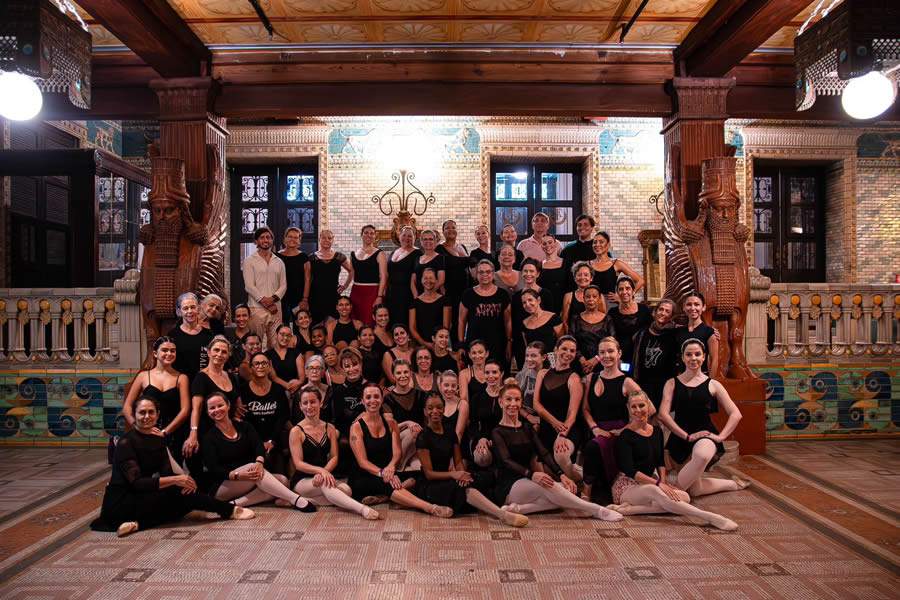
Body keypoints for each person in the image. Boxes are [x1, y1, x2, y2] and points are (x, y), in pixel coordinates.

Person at [91, 397, 254, 538]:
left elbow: (166, 472)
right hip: (121, 502)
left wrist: (181, 483)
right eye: (142, 412)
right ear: (134, 415)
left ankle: (138, 524)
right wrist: (177, 480)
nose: (147, 416)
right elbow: (136, 483)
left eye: (151, 412)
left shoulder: (158, 439)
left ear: (157, 415)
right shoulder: (126, 442)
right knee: (183, 501)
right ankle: (229, 510)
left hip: (142, 496)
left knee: (184, 496)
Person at [491, 380, 622, 521]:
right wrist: (531, 474)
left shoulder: (527, 428)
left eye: (517, 399)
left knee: (562, 491)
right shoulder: (497, 432)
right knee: (552, 488)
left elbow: (544, 453)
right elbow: (506, 461)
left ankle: (520, 509)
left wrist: (562, 475)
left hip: (529, 480)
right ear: (500, 402)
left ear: (521, 402)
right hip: (509, 486)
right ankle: (596, 510)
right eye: (508, 399)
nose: (513, 403)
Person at [609, 392, 737, 530]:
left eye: (641, 405)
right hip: (628, 486)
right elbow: (629, 470)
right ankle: (709, 517)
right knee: (656, 492)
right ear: (628, 408)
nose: (638, 410)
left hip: (651, 481)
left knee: (685, 497)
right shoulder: (625, 436)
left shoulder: (657, 431)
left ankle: (631, 510)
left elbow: (660, 461)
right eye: (633, 407)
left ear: (648, 406)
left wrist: (663, 481)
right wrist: (658, 484)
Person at [416, 393, 528, 526]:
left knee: (484, 478)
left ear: (444, 409)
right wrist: (454, 474)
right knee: (461, 489)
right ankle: (502, 515)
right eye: (430, 408)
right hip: (431, 484)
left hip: (450, 477)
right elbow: (429, 474)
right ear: (425, 411)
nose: (435, 411)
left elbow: (458, 462)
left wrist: (462, 475)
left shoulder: (450, 432)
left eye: (439, 407)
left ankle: (498, 504)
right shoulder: (423, 437)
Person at [658, 339, 749, 498]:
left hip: (705, 435)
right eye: (689, 354)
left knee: (702, 456)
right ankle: (734, 484)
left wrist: (720, 437)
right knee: (695, 489)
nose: (693, 358)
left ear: (704, 357)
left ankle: (673, 494)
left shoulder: (713, 384)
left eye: (697, 354)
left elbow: (736, 414)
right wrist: (687, 436)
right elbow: (663, 415)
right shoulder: (671, 383)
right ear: (683, 357)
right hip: (680, 438)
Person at [348, 383, 453, 516]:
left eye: (376, 396)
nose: (373, 400)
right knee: (388, 483)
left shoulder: (391, 423)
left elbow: (397, 452)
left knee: (419, 475)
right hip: (363, 476)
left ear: (382, 399)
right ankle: (430, 508)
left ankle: (384, 497)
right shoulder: (356, 427)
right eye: (368, 397)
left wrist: (391, 467)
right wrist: (383, 473)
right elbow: (362, 462)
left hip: (387, 471)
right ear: (362, 401)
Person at [202, 392, 316, 512]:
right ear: (208, 412)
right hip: (224, 485)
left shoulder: (244, 426)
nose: (216, 410)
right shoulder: (208, 438)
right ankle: (296, 499)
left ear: (228, 405)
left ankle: (234, 504)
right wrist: (238, 475)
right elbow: (214, 469)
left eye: (220, 405)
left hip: (250, 477)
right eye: (212, 408)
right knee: (255, 471)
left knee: (282, 481)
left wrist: (259, 462)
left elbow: (258, 446)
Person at [288, 387, 381, 519]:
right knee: (327, 485)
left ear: (320, 403)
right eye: (305, 403)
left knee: (347, 490)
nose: (309, 406)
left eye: (313, 402)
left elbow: (334, 457)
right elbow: (298, 463)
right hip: (302, 480)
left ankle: (304, 500)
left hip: (323, 475)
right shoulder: (296, 431)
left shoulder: (330, 428)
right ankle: (362, 509)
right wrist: (321, 471)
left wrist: (324, 472)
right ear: (300, 406)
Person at [579, 337, 643, 501]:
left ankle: (586, 491)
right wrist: (595, 428)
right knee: (592, 445)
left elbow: (649, 408)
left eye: (610, 351)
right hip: (595, 429)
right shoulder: (591, 378)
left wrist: (625, 429)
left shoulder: (627, 382)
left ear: (619, 353)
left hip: (617, 433)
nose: (606, 355)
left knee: (593, 447)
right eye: (602, 352)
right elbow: (585, 409)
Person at [122, 336, 190, 463]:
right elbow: (127, 407)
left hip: (173, 433)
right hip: (146, 431)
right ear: (155, 353)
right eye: (164, 350)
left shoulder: (181, 378)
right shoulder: (143, 376)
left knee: (172, 470)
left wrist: (165, 432)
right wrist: (138, 426)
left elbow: (185, 410)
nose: (169, 353)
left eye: (172, 351)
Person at [183, 335, 243, 476]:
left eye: (224, 352)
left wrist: (237, 416)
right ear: (209, 352)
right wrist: (193, 433)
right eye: (216, 350)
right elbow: (196, 409)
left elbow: (236, 401)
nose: (219, 354)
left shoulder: (231, 376)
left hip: (227, 432)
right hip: (207, 432)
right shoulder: (201, 377)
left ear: (228, 355)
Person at [532, 336, 583, 481]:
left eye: (572, 351)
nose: (568, 353)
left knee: (561, 454)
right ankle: (573, 476)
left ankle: (581, 479)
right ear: (555, 350)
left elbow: (572, 414)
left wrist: (562, 435)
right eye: (564, 349)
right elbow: (536, 404)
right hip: (547, 427)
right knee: (546, 474)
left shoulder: (574, 378)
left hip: (567, 428)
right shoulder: (542, 373)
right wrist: (553, 422)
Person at [241, 352, 290, 474]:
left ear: (269, 367)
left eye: (264, 363)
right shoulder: (243, 390)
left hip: (274, 442)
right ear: (251, 368)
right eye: (256, 363)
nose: (260, 366)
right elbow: (243, 421)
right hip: (250, 443)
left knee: (280, 477)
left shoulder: (278, 390)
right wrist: (258, 443)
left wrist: (271, 441)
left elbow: (282, 417)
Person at [459, 260, 512, 370]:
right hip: (474, 344)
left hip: (498, 343)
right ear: (476, 274)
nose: (484, 275)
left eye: (488, 272)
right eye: (481, 272)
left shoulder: (503, 294)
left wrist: (509, 342)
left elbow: (508, 321)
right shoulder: (468, 294)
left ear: (493, 274)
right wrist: (461, 345)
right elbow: (461, 321)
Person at [242, 227, 286, 347]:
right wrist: (264, 301)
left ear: (272, 240)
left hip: (276, 309)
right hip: (256, 309)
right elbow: (249, 286)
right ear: (256, 241)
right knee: (256, 345)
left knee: (276, 344)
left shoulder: (279, 262)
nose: (265, 240)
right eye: (262, 237)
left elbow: (283, 285)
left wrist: (272, 300)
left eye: (268, 237)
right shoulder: (249, 261)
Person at [631, 299, 678, 409]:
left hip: (665, 388)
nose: (663, 313)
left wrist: (713, 331)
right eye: (661, 309)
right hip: (642, 386)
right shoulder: (642, 333)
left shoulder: (675, 334)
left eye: (667, 311)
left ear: (671, 316)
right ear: (654, 312)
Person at [383, 359, 425, 469]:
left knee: (418, 467)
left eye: (406, 372)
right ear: (393, 375)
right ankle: (399, 465)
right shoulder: (388, 399)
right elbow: (389, 429)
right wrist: (408, 423)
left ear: (411, 373)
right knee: (411, 432)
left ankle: (404, 467)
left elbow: (428, 422)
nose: (403, 376)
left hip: (419, 440)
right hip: (397, 440)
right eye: (398, 373)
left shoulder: (421, 395)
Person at [511, 260, 554, 368]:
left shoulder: (546, 294)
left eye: (531, 271)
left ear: (538, 273)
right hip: (522, 344)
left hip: (545, 345)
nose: (528, 274)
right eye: (525, 271)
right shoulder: (516, 297)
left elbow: (552, 321)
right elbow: (515, 323)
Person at [307, 229, 353, 326]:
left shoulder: (339, 257)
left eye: (329, 238)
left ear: (333, 240)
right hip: (316, 297)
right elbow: (307, 279)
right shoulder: (311, 258)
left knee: (333, 326)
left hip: (333, 296)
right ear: (319, 239)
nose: (326, 240)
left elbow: (352, 271)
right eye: (323, 238)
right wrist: (305, 298)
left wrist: (345, 286)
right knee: (316, 326)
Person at [607, 277, 651, 376]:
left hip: (642, 356)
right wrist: (617, 358)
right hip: (622, 358)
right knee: (625, 379)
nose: (624, 292)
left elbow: (650, 333)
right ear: (617, 292)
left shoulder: (644, 310)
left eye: (627, 288)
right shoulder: (612, 313)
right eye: (621, 289)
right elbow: (611, 338)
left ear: (633, 291)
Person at [465, 358, 504, 467]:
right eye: (487, 372)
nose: (490, 376)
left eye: (494, 372)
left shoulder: (507, 395)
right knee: (483, 456)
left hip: (503, 437)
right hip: (481, 438)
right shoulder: (477, 397)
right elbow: (473, 424)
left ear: (501, 374)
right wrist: (481, 439)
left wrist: (496, 439)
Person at [589, 231, 643, 308]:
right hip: (592, 304)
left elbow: (640, 281)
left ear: (608, 245)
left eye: (601, 242)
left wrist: (628, 296)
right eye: (595, 242)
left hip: (610, 305)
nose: (597, 245)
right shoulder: (588, 265)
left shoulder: (616, 263)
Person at [435, 219, 470, 339]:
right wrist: (441, 290)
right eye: (447, 228)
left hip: (464, 290)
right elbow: (437, 269)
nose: (451, 230)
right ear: (443, 232)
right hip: (449, 291)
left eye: (453, 227)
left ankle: (462, 344)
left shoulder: (462, 246)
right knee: (451, 322)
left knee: (463, 320)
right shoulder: (439, 248)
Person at [167, 292, 214, 381]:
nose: (190, 311)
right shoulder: (172, 335)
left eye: (193, 307)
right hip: (179, 382)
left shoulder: (209, 335)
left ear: (198, 309)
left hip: (202, 382)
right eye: (185, 308)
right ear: (179, 311)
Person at [570, 285, 615, 375]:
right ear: (583, 299)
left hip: (602, 362)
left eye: (594, 296)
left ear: (599, 299)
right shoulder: (575, 319)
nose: (591, 299)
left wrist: (597, 359)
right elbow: (571, 341)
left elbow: (612, 342)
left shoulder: (608, 319)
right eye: (588, 296)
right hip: (579, 363)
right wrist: (581, 359)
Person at [349, 225, 387, 326]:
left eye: (371, 233)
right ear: (361, 235)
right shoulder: (353, 254)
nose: (369, 235)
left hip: (372, 292)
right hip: (356, 291)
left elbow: (384, 277)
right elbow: (351, 273)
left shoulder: (380, 254)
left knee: (369, 321)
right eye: (366, 232)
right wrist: (344, 286)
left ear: (375, 236)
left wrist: (379, 296)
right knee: (356, 321)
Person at [386, 225, 421, 327]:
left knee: (403, 323)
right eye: (404, 235)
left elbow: (417, 278)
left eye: (410, 236)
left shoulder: (417, 253)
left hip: (406, 294)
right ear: (399, 236)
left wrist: (416, 299)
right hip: (391, 293)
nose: (407, 238)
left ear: (414, 237)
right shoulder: (394, 252)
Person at [675, 293, 718, 377]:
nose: (692, 308)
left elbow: (714, 360)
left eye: (697, 304)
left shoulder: (709, 332)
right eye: (689, 304)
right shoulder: (678, 332)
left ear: (703, 307)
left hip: (701, 378)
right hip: (682, 378)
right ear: (683, 307)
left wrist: (710, 382)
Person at [276, 227, 311, 322]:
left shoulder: (303, 257)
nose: (292, 239)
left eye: (296, 237)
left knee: (299, 323)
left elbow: (307, 279)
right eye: (290, 236)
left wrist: (305, 299)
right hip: (281, 297)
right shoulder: (277, 256)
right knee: (282, 324)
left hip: (298, 298)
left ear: (299, 240)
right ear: (285, 238)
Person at [409, 268, 450, 348]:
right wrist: (424, 343)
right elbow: (412, 328)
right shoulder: (414, 302)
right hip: (421, 345)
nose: (428, 281)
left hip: (441, 344)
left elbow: (446, 326)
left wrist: (438, 343)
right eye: (425, 278)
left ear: (436, 280)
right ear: (421, 280)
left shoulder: (445, 301)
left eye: (431, 278)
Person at [265, 324, 305, 396]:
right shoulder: (267, 354)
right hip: (275, 392)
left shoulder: (296, 353)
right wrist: (288, 386)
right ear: (276, 334)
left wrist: (297, 385)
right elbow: (273, 377)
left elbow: (302, 378)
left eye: (288, 335)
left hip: (295, 391)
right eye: (282, 334)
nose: (285, 338)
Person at [520, 289, 563, 355]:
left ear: (538, 300)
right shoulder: (524, 323)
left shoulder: (554, 318)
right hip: (533, 359)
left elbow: (562, 342)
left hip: (552, 357)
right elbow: (527, 347)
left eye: (530, 300)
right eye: (524, 302)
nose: (527, 304)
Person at [514, 341, 544, 429]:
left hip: (545, 419)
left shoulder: (550, 376)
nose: (529, 359)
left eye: (533, 356)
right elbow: (514, 402)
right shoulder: (521, 376)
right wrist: (528, 416)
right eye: (527, 355)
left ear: (543, 357)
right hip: (524, 418)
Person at [560, 214, 596, 286]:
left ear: (592, 228)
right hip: (571, 290)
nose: (582, 227)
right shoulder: (568, 249)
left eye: (586, 224)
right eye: (579, 225)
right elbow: (562, 273)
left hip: (594, 290)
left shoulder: (598, 248)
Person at [561, 261, 595, 333]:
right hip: (574, 335)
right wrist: (570, 336)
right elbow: (564, 321)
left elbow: (603, 319)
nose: (582, 277)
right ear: (574, 278)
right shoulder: (568, 296)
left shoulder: (599, 296)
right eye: (579, 275)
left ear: (591, 278)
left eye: (586, 275)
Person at [296, 355, 330, 423]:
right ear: (306, 372)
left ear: (323, 372)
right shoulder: (298, 393)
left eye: (318, 368)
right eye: (311, 368)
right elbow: (296, 419)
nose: (314, 371)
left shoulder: (331, 391)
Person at [538, 235, 566, 313]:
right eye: (544, 243)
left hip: (562, 306)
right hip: (543, 307)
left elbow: (570, 288)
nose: (547, 245)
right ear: (541, 246)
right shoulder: (539, 265)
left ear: (555, 244)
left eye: (550, 242)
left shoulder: (567, 263)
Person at [438, 369, 468, 444]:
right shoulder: (436, 402)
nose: (450, 389)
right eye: (446, 385)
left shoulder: (462, 404)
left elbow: (458, 434)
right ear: (440, 385)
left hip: (457, 445)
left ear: (457, 386)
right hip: (438, 443)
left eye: (453, 386)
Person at [413, 229, 446, 294]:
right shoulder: (417, 259)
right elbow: (413, 281)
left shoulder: (440, 258)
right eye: (425, 239)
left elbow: (441, 280)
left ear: (435, 241)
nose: (428, 241)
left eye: (431, 239)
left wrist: (427, 295)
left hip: (434, 295)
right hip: (418, 296)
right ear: (421, 242)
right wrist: (416, 296)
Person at [458, 339, 488, 408]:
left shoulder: (493, 372)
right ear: (469, 355)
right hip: (473, 413)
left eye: (480, 352)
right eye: (474, 353)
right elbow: (464, 401)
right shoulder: (464, 374)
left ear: (486, 353)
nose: (477, 356)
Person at [224, 303, 252, 371]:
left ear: (249, 317)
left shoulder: (253, 337)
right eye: (238, 316)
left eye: (244, 315)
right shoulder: (226, 332)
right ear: (234, 318)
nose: (241, 319)